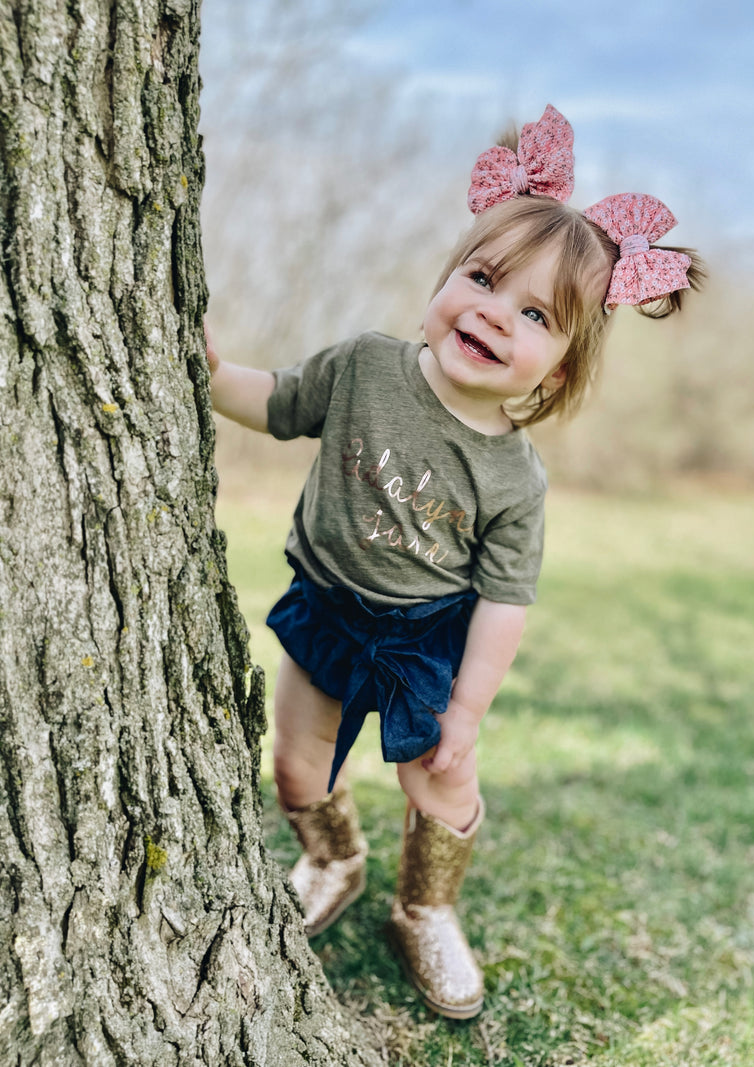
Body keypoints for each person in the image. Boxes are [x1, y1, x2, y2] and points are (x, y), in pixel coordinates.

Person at [206, 105, 705, 1020]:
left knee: (440, 777)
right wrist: (210, 373)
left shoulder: (515, 477)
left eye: (533, 314)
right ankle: (332, 857)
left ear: (553, 372)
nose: (490, 310)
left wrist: (467, 706)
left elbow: (505, 601)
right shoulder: (363, 365)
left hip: (425, 638)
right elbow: (277, 402)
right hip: (325, 605)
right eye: (480, 277)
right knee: (296, 764)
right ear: (445, 279)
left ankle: (426, 907)